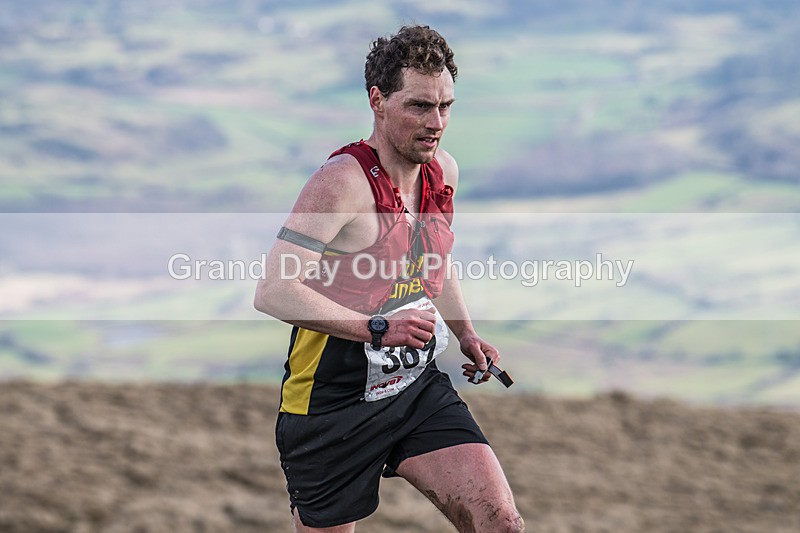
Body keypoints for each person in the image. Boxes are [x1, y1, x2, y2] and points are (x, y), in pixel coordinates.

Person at [254, 24, 524, 533]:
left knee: (500, 522)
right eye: (420, 106)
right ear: (377, 100)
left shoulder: (444, 171)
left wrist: (464, 332)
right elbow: (272, 291)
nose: (437, 121)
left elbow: (432, 264)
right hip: (330, 406)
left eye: (446, 105)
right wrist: (376, 329)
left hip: (412, 388)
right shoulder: (340, 184)